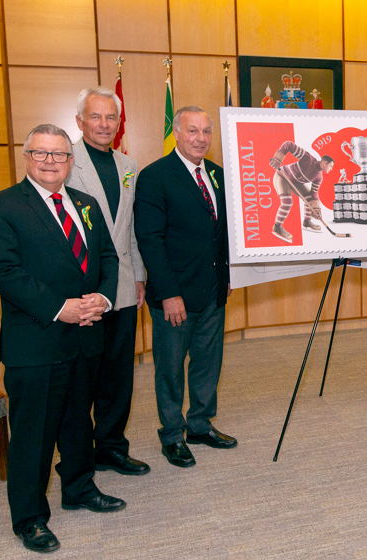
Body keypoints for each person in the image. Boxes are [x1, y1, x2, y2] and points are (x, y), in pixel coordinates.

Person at [0, 124, 124, 553]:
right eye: (40, 153)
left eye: (59, 155)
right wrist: (62, 307)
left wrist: (102, 296)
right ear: (26, 157)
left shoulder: (87, 203)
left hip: (85, 338)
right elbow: (2, 272)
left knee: (79, 423)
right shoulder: (0, 206)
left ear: (70, 161)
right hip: (36, 343)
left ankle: (79, 487)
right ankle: (29, 518)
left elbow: (108, 257)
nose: (49, 161)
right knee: (34, 435)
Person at [134, 106, 236, 468]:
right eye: (193, 131)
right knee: (171, 368)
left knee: (208, 363)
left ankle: (200, 425)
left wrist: (227, 277)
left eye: (206, 132)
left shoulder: (218, 174)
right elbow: (149, 239)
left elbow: (222, 233)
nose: (201, 139)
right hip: (174, 295)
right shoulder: (155, 176)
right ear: (176, 133)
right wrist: (169, 293)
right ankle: (173, 435)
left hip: (212, 290)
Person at [65, 87, 149, 476]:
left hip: (124, 287)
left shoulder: (128, 164)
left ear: (119, 123)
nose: (103, 124)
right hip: (81, 292)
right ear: (80, 121)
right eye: (95, 117)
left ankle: (112, 446)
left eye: (110, 118)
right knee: (83, 377)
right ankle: (79, 456)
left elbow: (128, 228)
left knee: (118, 375)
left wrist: (139, 277)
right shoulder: (64, 162)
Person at [268, 141, 334, 241]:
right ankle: (277, 227)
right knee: (287, 202)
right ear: (325, 163)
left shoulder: (319, 177)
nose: (331, 169)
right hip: (283, 176)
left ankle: (307, 222)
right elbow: (288, 145)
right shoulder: (308, 158)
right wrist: (277, 159)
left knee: (310, 200)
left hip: (296, 182)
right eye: (331, 166)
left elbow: (314, 193)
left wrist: (316, 209)